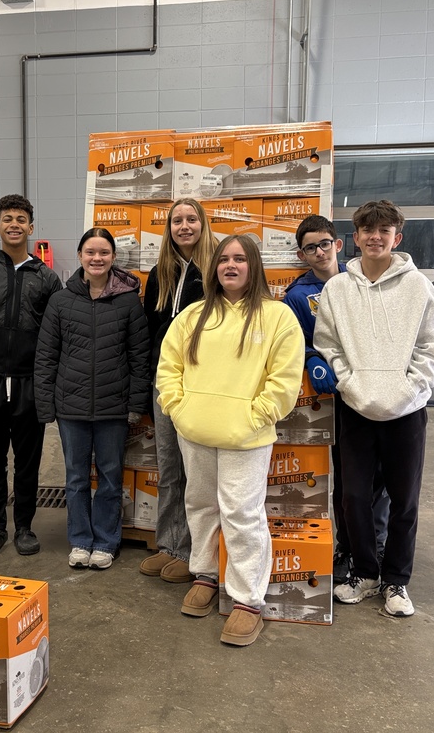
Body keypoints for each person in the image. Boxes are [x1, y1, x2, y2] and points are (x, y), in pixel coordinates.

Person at [157, 234, 304, 646]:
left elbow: (284, 380)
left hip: (247, 437)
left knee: (242, 514)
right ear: (214, 267)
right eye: (224, 259)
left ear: (253, 266)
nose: (230, 266)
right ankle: (204, 573)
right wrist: (179, 410)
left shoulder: (277, 317)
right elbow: (169, 367)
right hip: (196, 431)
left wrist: (254, 417)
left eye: (240, 259)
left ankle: (247, 600)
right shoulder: (193, 315)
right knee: (201, 505)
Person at [314, 200, 434, 617]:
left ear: (397, 237)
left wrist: (411, 389)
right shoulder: (337, 288)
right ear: (354, 237)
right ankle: (366, 574)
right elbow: (328, 343)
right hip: (355, 408)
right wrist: (350, 382)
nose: (375, 236)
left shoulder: (418, 286)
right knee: (353, 497)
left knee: (404, 499)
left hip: (406, 411)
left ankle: (396, 582)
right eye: (367, 230)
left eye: (384, 230)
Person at [282, 214, 390, 581]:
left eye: (325, 243)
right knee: (348, 477)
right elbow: (297, 342)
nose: (319, 251)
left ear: (339, 244)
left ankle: (378, 543)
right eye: (310, 247)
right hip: (335, 394)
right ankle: (349, 545)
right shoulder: (298, 295)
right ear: (302, 254)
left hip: (378, 387)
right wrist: (313, 360)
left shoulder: (361, 278)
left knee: (382, 474)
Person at [35, 228, 150, 571]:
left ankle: (106, 541)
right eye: (90, 252)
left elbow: (139, 357)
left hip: (113, 408)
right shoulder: (61, 300)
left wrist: (135, 404)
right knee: (75, 478)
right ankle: (81, 540)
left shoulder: (128, 300)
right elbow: (46, 357)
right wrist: (46, 405)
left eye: (103, 252)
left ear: (113, 257)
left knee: (111, 477)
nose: (97, 258)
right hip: (71, 407)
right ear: (80, 256)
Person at [0, 194, 62, 556]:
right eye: (8, 218)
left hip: (28, 384)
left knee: (27, 461)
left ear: (31, 227)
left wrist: (44, 384)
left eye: (21, 219)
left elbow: (53, 339)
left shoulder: (47, 279)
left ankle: (24, 527)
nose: (14, 224)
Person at [138, 198, 217, 585]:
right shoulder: (160, 272)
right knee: (169, 467)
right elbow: (154, 329)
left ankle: (193, 551)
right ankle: (169, 544)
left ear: (202, 224)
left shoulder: (217, 268)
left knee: (197, 471)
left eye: (191, 219)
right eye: (176, 221)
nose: (184, 226)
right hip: (163, 380)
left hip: (201, 383)